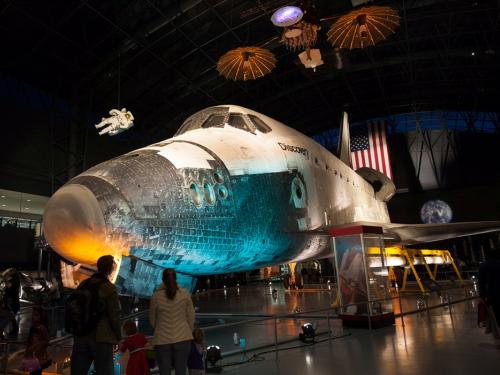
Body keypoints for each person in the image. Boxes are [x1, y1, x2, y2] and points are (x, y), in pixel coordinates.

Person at [71, 255, 122, 375]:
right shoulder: (109, 288)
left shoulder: (84, 284)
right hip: (101, 337)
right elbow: (114, 315)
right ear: (111, 269)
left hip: (81, 334)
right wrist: (118, 337)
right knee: (104, 371)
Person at [149, 268, 195, 375]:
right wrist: (188, 331)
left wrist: (160, 329)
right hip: (183, 338)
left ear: (162, 280)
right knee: (181, 371)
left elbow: (152, 321)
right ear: (176, 278)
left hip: (162, 341)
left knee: (164, 372)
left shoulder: (156, 297)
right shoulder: (185, 294)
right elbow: (191, 317)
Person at [478, 249, 500, 337]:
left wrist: (482, 296)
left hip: (492, 296)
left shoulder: (483, 266)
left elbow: (481, 283)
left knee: (497, 314)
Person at [23, 305, 50, 375]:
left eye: (36, 315)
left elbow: (46, 340)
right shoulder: (33, 327)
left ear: (41, 317)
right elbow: (30, 341)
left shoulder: (42, 328)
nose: (33, 317)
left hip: (38, 357)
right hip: (32, 356)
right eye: (33, 314)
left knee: (35, 373)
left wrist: (39, 345)